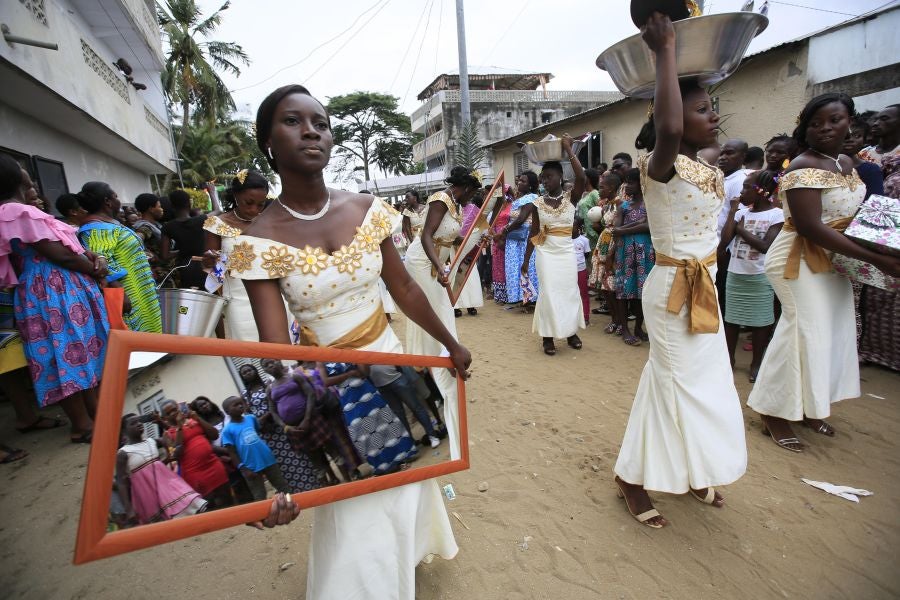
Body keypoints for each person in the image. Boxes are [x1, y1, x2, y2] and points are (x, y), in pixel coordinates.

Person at [233, 83, 469, 599]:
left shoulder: (367, 208)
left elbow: (403, 287)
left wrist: (449, 344)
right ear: (267, 143)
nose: (312, 129)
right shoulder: (258, 240)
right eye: (293, 121)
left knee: (409, 471)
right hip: (331, 386)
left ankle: (403, 561)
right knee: (356, 495)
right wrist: (287, 444)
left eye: (320, 120)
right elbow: (277, 352)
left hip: (392, 360)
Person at [613, 13, 747, 528]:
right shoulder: (658, 163)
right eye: (701, 109)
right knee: (675, 385)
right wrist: (665, 49)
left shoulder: (708, 165)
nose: (712, 116)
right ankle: (632, 477)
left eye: (712, 107)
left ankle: (691, 468)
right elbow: (669, 125)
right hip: (671, 288)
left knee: (704, 382)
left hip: (706, 283)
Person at [748, 94, 900, 451]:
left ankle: (807, 405)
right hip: (799, 259)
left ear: (850, 121)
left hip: (836, 260)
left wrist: (881, 246)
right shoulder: (803, 165)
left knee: (830, 333)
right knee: (802, 332)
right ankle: (772, 410)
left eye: (835, 119)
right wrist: (874, 258)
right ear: (806, 127)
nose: (826, 128)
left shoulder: (847, 162)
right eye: (816, 123)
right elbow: (809, 227)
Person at [0, 155, 108, 443]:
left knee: (76, 352)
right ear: (14, 179)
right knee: (65, 355)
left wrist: (92, 257)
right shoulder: (17, 212)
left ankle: (96, 414)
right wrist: (96, 269)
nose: (31, 178)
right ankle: (82, 425)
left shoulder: (21, 211)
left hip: (51, 291)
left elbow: (69, 247)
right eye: (24, 173)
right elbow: (59, 255)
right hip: (52, 293)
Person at [507, 138, 586, 355]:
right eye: (543, 178)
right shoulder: (536, 203)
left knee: (569, 292)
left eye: (549, 177)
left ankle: (570, 332)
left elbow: (582, 176)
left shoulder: (572, 198)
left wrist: (569, 148)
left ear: (561, 177)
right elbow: (534, 233)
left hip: (566, 253)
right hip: (546, 254)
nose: (545, 181)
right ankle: (547, 337)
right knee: (549, 293)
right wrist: (525, 260)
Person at [203, 170, 293, 342]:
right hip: (239, 299)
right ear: (236, 195)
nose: (254, 210)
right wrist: (210, 262)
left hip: (277, 298)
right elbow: (213, 271)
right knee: (249, 352)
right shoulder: (217, 225)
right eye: (249, 203)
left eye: (260, 205)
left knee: (282, 351)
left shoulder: (270, 222)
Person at [719, 170, 783, 381]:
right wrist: (732, 213)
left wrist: (742, 231)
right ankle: (729, 359)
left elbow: (765, 246)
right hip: (735, 273)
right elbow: (725, 242)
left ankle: (756, 363)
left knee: (760, 322)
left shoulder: (776, 215)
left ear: (762, 191)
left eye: (747, 187)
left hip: (760, 275)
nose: (742, 191)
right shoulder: (740, 213)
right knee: (732, 320)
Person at [76, 181, 162, 333]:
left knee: (149, 331)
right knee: (136, 333)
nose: (119, 201)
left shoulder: (110, 223)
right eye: (115, 196)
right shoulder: (95, 229)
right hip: (128, 292)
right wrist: (120, 294)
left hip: (140, 289)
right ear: (107, 201)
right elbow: (102, 262)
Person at [855, 104, 900, 372]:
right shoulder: (864, 154)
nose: (877, 122)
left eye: (885, 118)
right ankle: (866, 348)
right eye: (876, 117)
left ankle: (889, 355)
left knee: (888, 294)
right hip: (862, 227)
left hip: (891, 228)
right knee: (866, 294)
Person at [263, 357, 356, 483]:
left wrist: (307, 418)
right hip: (293, 428)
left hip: (312, 419)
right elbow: (273, 411)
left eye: (272, 362)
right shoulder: (270, 388)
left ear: (279, 362)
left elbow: (310, 394)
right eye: (266, 365)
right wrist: (285, 427)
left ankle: (348, 481)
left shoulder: (295, 376)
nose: (270, 365)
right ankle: (328, 489)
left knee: (332, 450)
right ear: (264, 370)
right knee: (315, 460)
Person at [324, 361, 422, 472]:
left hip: (368, 393)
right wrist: (348, 374)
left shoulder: (349, 348)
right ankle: (383, 465)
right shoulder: (321, 360)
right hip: (349, 401)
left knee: (386, 424)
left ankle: (400, 458)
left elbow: (365, 373)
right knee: (364, 434)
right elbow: (325, 381)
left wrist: (358, 359)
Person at [238, 363, 318, 492]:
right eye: (244, 373)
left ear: (256, 371)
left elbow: (275, 405)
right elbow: (247, 412)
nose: (248, 373)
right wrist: (258, 423)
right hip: (265, 433)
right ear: (242, 377)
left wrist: (266, 417)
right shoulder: (244, 394)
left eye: (250, 370)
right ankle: (295, 490)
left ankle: (312, 484)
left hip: (279, 426)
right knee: (282, 462)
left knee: (297, 456)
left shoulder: (269, 384)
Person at [116, 414, 207, 525]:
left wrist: (168, 457)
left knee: (189, 508)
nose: (138, 424)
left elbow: (168, 442)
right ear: (124, 431)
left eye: (139, 421)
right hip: (146, 492)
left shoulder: (151, 442)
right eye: (133, 423)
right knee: (166, 526)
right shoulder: (123, 453)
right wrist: (129, 509)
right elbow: (121, 482)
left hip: (168, 486)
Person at [160, 399, 232, 509]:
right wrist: (179, 427)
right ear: (164, 418)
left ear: (179, 408)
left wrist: (197, 418)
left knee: (228, 500)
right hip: (195, 473)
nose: (173, 414)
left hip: (213, 465)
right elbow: (176, 454)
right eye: (168, 413)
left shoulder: (193, 421)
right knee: (210, 506)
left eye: (174, 410)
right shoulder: (167, 434)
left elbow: (214, 435)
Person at [611, 168, 655, 346]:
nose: (627, 186)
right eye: (626, 182)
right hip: (625, 253)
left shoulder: (651, 204)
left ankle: (638, 327)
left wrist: (625, 229)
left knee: (643, 292)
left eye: (631, 182)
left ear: (642, 184)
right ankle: (626, 329)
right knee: (623, 291)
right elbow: (615, 230)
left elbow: (650, 227)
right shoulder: (623, 206)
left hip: (645, 253)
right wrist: (639, 224)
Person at [221, 395, 291, 500]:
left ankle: (291, 504)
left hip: (267, 458)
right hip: (250, 466)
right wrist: (244, 469)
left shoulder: (251, 418)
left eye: (241, 403)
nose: (240, 406)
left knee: (282, 485)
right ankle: (264, 516)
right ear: (227, 411)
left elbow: (257, 432)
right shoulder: (227, 430)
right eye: (235, 405)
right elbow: (232, 452)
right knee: (259, 495)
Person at [368, 363, 441, 448]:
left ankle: (432, 436)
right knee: (399, 416)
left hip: (397, 378)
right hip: (381, 386)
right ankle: (410, 444)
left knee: (416, 408)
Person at [716, 139, 750, 313]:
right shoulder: (723, 178)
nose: (722, 157)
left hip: (727, 248)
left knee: (722, 293)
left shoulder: (741, 180)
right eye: (722, 153)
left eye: (729, 153)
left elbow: (739, 217)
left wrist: (722, 247)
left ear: (743, 157)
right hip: (717, 245)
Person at [589, 172, 624, 333]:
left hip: (613, 246)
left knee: (612, 286)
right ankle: (614, 320)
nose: (599, 189)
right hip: (603, 244)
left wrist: (612, 253)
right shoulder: (607, 205)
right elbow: (606, 227)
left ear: (611, 188)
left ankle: (620, 321)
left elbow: (618, 230)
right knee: (604, 288)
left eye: (602, 186)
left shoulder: (620, 204)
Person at [500, 171, 540, 304]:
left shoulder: (531, 198)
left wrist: (504, 231)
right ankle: (522, 297)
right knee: (515, 269)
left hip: (523, 240)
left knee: (525, 267)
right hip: (514, 240)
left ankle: (530, 298)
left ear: (530, 185)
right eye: (519, 180)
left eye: (523, 181)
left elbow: (521, 219)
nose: (519, 183)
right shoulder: (520, 198)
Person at [160, 189, 206, 289]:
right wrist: (212, 193)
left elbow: (165, 255)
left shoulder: (168, 227)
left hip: (184, 268)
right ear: (189, 203)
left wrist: (182, 251)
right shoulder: (202, 220)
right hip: (205, 265)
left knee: (188, 302)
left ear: (172, 206)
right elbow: (218, 211)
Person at [842, 116, 884, 199]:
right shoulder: (819, 166)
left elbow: (874, 203)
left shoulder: (871, 170)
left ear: (864, 141)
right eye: (844, 135)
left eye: (857, 136)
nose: (850, 139)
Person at [132, 193, 167, 282]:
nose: (162, 209)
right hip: (156, 274)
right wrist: (148, 254)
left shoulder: (155, 225)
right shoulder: (145, 227)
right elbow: (134, 241)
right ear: (151, 209)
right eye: (159, 206)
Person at [489, 185, 512, 303]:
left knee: (508, 266)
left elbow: (514, 221)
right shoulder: (495, 207)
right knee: (498, 266)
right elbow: (490, 224)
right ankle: (500, 295)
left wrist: (504, 235)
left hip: (509, 238)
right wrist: (495, 236)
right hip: (497, 239)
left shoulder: (512, 206)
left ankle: (510, 294)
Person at [575, 168, 602, 252]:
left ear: (588, 178)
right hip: (584, 232)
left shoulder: (594, 193)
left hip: (592, 233)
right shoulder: (584, 193)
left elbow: (601, 209)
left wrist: (597, 225)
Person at [572, 222, 591, 325]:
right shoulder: (565, 241)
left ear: (579, 227)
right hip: (568, 271)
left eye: (573, 225)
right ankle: (572, 316)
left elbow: (586, 254)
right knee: (570, 293)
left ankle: (585, 316)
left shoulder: (584, 240)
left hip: (580, 270)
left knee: (583, 293)